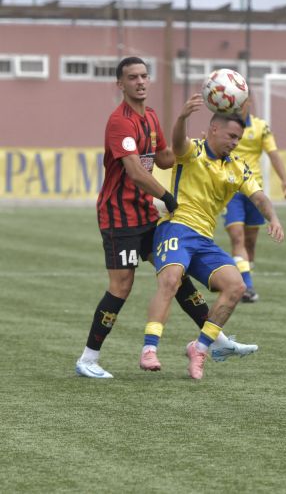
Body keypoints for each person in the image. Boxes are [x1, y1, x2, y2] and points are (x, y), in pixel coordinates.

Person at [75, 57, 257, 379]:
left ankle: (218, 341)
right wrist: (168, 197)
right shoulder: (121, 122)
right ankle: (88, 358)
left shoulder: (152, 117)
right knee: (121, 286)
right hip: (120, 216)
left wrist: (198, 147)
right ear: (121, 84)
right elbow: (133, 171)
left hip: (146, 212)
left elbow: (164, 157)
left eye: (144, 76)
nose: (141, 82)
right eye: (132, 77)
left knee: (176, 274)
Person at [139, 95, 284, 380]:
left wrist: (273, 218)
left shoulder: (238, 167)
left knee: (236, 287)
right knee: (170, 280)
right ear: (213, 130)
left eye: (239, 138)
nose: (234, 142)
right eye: (231, 135)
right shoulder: (193, 151)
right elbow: (177, 144)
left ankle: (200, 348)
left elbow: (259, 196)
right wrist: (181, 118)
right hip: (176, 228)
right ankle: (149, 348)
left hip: (204, 241)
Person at [223, 98, 286, 303]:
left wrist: (285, 180)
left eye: (241, 101)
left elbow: (273, 154)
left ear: (249, 103)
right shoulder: (224, 126)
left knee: (250, 242)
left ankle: (245, 277)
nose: (238, 106)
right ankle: (247, 286)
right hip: (231, 188)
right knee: (237, 237)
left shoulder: (261, 127)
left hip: (254, 191)